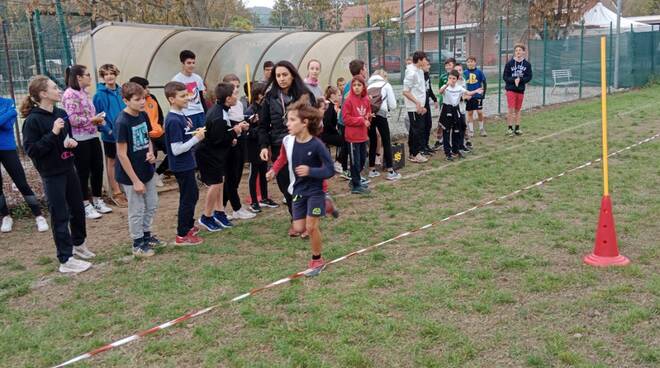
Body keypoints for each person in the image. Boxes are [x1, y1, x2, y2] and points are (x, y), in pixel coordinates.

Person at [21, 75, 95, 273]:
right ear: (43, 94)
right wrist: (52, 133)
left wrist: (70, 143)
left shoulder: (61, 113)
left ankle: (79, 245)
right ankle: (65, 259)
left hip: (68, 168)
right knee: (60, 215)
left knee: (78, 210)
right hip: (51, 174)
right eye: (54, 88)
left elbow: (64, 141)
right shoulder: (32, 121)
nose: (59, 90)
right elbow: (33, 151)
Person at [265, 95, 335, 275]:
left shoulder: (317, 145)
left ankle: (317, 260)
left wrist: (311, 171)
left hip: (316, 190)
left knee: (311, 227)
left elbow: (330, 170)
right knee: (298, 228)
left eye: (292, 120)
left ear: (304, 123)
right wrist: (273, 170)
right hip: (297, 190)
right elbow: (282, 158)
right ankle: (327, 206)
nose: (287, 124)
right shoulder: (288, 141)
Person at [258, 60, 316, 235]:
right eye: (278, 76)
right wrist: (263, 146)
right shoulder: (270, 97)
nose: (281, 79)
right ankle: (296, 219)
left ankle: (306, 223)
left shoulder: (304, 95)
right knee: (286, 186)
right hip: (279, 145)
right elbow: (263, 125)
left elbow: (313, 121)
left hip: (301, 145)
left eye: (285, 75)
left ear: (292, 75)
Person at [114, 82, 161, 257]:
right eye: (137, 99)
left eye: (143, 98)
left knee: (152, 204)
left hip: (146, 169)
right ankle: (137, 243)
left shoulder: (143, 115)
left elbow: (148, 137)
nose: (142, 102)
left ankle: (147, 235)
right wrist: (135, 181)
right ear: (126, 101)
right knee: (137, 208)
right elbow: (122, 154)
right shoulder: (122, 122)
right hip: (131, 175)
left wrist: (150, 152)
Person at [62, 65, 112, 220]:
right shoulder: (70, 94)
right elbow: (72, 119)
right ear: (78, 77)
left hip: (92, 135)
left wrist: (97, 120)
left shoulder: (84, 92)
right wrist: (92, 119)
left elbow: (87, 114)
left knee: (97, 168)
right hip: (79, 139)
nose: (90, 77)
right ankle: (85, 204)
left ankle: (97, 200)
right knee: (83, 172)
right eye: (87, 74)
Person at [196, 82, 244, 232]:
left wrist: (232, 135)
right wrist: (235, 132)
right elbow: (218, 140)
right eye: (235, 94)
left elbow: (222, 135)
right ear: (228, 99)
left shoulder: (222, 110)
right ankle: (206, 216)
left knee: (220, 182)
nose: (237, 97)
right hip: (208, 155)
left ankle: (219, 213)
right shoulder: (218, 115)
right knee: (215, 184)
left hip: (215, 154)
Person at [164, 81, 205, 246]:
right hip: (181, 165)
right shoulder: (173, 120)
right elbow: (176, 149)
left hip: (188, 162)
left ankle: (188, 225)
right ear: (172, 99)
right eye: (182, 96)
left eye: (187, 94)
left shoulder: (181, 115)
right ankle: (182, 234)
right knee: (187, 198)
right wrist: (197, 138)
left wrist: (195, 134)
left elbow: (185, 136)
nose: (187, 98)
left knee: (193, 194)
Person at [0, 96, 48, 233]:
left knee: (21, 182)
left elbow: (8, 125)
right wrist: (9, 113)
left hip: (7, 148)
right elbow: (7, 118)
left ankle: (39, 215)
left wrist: (9, 114)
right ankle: (6, 217)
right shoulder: (9, 108)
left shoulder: (8, 102)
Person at [93, 63, 127, 207]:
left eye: (111, 73)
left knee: (125, 158)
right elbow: (99, 117)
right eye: (106, 74)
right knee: (112, 162)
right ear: (103, 77)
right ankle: (117, 192)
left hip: (124, 133)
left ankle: (127, 188)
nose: (109, 76)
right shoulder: (99, 95)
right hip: (110, 135)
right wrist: (109, 131)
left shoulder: (122, 91)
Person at [221, 74, 255, 220]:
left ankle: (221, 208)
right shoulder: (223, 107)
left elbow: (240, 120)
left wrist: (247, 123)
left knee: (237, 175)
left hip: (241, 141)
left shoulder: (240, 104)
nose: (235, 89)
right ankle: (235, 207)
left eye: (237, 86)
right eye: (232, 85)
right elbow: (226, 126)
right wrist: (237, 126)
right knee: (231, 177)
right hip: (230, 143)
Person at [245, 82, 279, 213]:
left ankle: (264, 197)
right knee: (254, 174)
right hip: (254, 147)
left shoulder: (265, 107)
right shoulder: (250, 110)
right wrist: (257, 127)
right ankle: (254, 201)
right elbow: (247, 132)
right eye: (264, 94)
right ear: (258, 95)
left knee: (263, 171)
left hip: (263, 146)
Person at [129, 76, 168, 187]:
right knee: (152, 154)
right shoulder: (133, 103)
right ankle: (150, 177)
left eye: (148, 87)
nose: (148, 90)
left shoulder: (153, 98)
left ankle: (158, 173)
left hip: (158, 132)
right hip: (146, 135)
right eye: (145, 88)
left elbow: (160, 115)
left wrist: (160, 126)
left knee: (172, 150)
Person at [438, 70, 483, 161]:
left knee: (456, 131)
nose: (451, 80)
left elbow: (468, 93)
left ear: (457, 79)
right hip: (447, 109)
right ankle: (447, 153)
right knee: (446, 132)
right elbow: (440, 91)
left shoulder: (459, 88)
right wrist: (446, 84)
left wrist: (476, 91)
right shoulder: (445, 87)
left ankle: (455, 150)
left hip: (456, 110)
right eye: (450, 78)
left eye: (454, 78)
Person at [366, 69, 400, 181]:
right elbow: (393, 105)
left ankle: (372, 169)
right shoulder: (386, 85)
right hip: (381, 114)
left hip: (370, 115)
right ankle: (390, 170)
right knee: (386, 141)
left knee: (373, 141)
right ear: (384, 77)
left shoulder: (368, 86)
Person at [341, 75, 372, 194]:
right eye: (354, 85)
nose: (356, 88)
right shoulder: (348, 100)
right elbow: (346, 119)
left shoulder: (365, 100)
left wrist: (369, 116)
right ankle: (356, 185)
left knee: (363, 160)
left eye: (359, 85)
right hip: (352, 137)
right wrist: (361, 120)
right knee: (355, 162)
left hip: (363, 136)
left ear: (363, 86)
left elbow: (368, 111)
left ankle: (355, 181)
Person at [402, 51, 429, 163]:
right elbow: (406, 92)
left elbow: (420, 90)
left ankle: (414, 152)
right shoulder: (411, 72)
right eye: (425, 59)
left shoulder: (420, 71)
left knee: (418, 129)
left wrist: (422, 105)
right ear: (419, 60)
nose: (426, 61)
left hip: (419, 106)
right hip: (413, 107)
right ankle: (414, 154)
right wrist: (417, 103)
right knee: (416, 130)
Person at [172, 50, 207, 129]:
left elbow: (202, 98)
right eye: (189, 63)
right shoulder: (176, 80)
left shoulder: (198, 78)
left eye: (193, 63)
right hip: (187, 114)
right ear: (182, 64)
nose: (192, 65)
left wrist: (206, 114)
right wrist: (183, 117)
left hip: (200, 113)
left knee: (204, 138)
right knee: (192, 139)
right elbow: (174, 103)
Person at [503, 44, 532, 136]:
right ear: (514, 52)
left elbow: (529, 77)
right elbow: (505, 77)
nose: (518, 52)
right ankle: (510, 128)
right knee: (511, 108)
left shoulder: (527, 64)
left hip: (520, 90)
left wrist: (521, 80)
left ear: (523, 52)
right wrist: (513, 79)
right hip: (511, 89)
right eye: (516, 50)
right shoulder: (509, 63)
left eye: (520, 50)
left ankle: (517, 128)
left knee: (518, 109)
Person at [320, 86, 348, 175]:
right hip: (326, 135)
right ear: (332, 96)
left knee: (345, 139)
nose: (340, 97)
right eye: (339, 95)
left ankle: (340, 162)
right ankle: (338, 163)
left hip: (328, 133)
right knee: (346, 141)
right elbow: (327, 123)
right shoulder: (329, 107)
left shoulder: (332, 106)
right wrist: (335, 130)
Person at [433, 58, 456, 151]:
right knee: (441, 122)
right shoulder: (443, 77)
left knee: (455, 123)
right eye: (446, 65)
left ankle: (459, 141)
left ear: (454, 65)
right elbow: (440, 91)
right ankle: (440, 140)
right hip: (444, 103)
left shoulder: (458, 77)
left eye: (449, 65)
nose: (447, 67)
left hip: (454, 104)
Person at [464, 56, 487, 137]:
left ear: (475, 62)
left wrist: (483, 94)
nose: (470, 63)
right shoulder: (464, 73)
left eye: (472, 61)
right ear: (466, 63)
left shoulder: (479, 72)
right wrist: (465, 95)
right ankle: (471, 130)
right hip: (469, 96)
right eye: (468, 62)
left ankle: (481, 129)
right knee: (470, 113)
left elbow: (484, 83)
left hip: (478, 95)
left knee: (479, 112)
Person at [423, 61, 438, 156]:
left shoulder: (427, 75)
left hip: (427, 103)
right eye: (427, 65)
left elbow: (429, 89)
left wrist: (434, 99)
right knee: (422, 126)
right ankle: (421, 147)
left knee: (428, 124)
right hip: (421, 104)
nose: (429, 66)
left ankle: (426, 145)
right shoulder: (419, 76)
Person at [454, 63, 471, 151]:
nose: (458, 72)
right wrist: (464, 97)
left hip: (462, 108)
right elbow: (454, 97)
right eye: (456, 70)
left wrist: (467, 97)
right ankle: (456, 146)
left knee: (463, 126)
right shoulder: (453, 82)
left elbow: (465, 93)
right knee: (457, 128)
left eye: (460, 70)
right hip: (455, 109)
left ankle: (462, 145)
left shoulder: (463, 80)